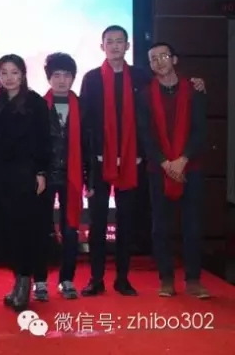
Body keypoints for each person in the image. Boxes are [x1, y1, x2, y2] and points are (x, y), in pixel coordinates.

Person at [79, 25, 205, 297]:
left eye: (120, 41)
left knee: (127, 222)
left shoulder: (141, 76)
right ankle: (95, 279)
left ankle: (122, 279)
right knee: (98, 223)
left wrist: (197, 82)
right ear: (102, 47)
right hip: (100, 161)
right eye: (109, 42)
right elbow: (85, 122)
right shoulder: (91, 79)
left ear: (127, 46)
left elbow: (169, 87)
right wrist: (87, 166)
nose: (115, 46)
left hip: (133, 161)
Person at [136, 42, 209, 298]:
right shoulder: (144, 95)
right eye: (153, 58)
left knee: (192, 225)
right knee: (161, 227)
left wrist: (182, 160)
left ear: (174, 59)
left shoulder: (194, 90)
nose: (159, 61)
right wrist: (165, 163)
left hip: (191, 166)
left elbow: (200, 130)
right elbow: (145, 134)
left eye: (164, 56)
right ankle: (166, 278)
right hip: (159, 168)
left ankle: (193, 279)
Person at [0, 54, 51, 312]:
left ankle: (25, 285)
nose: (9, 78)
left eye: (14, 72)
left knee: (26, 230)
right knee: (7, 231)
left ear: (23, 74)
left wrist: (41, 172)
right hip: (1, 177)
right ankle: (17, 282)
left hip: (27, 175)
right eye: (4, 72)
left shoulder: (36, 103)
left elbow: (44, 140)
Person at [32, 53, 95, 301]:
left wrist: (90, 180)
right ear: (49, 78)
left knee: (70, 230)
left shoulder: (83, 107)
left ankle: (66, 279)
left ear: (73, 78)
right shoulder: (38, 105)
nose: (61, 80)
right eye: (56, 75)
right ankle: (39, 281)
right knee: (41, 230)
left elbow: (89, 146)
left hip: (73, 176)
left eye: (66, 75)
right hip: (45, 176)